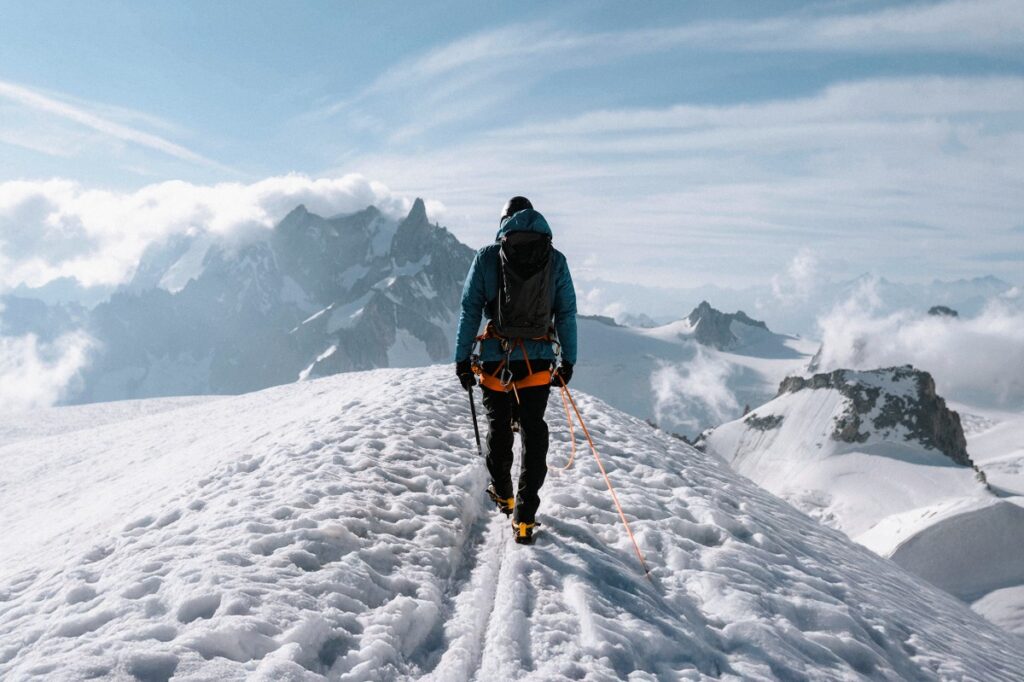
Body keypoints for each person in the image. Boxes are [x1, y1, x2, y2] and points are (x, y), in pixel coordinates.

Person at [454, 196, 577, 543]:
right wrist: (568, 360)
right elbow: (566, 312)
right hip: (536, 361)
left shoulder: (488, 257)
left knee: (498, 425)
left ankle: (504, 493)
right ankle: (525, 516)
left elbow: (470, 310)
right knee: (533, 429)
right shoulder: (556, 259)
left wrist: (462, 359)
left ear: (504, 222)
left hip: (496, 358)